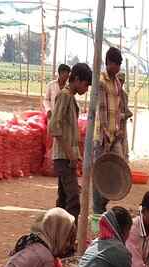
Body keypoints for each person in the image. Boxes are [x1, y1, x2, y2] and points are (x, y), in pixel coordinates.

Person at [50, 62, 92, 219]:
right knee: (74, 200)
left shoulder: (70, 98)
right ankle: (69, 235)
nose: (86, 89)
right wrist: (70, 154)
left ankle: (57, 233)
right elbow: (54, 127)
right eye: (86, 85)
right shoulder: (65, 96)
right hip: (64, 157)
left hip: (67, 157)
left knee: (63, 200)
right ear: (77, 79)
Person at [92, 48, 132, 214]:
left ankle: (102, 203)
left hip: (115, 136)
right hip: (102, 137)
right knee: (100, 173)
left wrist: (120, 131)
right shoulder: (101, 82)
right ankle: (97, 209)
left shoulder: (117, 82)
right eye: (114, 64)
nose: (116, 68)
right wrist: (107, 137)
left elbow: (119, 109)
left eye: (119, 65)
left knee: (119, 172)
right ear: (108, 63)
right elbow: (101, 112)